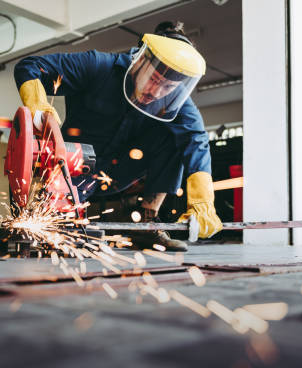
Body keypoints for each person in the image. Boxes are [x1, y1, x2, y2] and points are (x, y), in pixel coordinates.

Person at [13, 21, 223, 252]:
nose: (157, 93)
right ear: (141, 59)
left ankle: (146, 222)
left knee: (176, 138)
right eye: (154, 80)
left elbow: (197, 141)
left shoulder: (178, 101)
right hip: (73, 165)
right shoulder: (99, 66)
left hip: (122, 172)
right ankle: (52, 216)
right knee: (49, 225)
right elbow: (31, 66)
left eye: (168, 87)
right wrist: (39, 108)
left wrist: (203, 201)